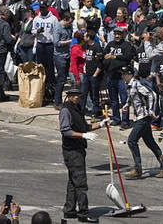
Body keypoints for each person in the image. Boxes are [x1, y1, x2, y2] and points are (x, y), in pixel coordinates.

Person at [59, 86, 109, 223]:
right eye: (74, 95)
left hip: (78, 149)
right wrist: (83, 135)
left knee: (73, 181)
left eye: (78, 95)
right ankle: (83, 213)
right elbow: (65, 131)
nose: (76, 97)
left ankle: (69, 209)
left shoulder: (77, 108)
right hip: (72, 151)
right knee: (80, 183)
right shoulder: (65, 111)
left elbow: (85, 127)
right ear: (68, 96)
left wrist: (101, 124)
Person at [121, 67, 163, 179]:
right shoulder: (129, 86)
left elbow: (152, 95)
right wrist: (127, 105)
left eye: (124, 74)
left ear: (130, 75)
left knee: (132, 141)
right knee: (150, 142)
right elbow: (132, 97)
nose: (122, 76)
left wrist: (151, 110)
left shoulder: (137, 84)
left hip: (144, 116)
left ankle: (138, 168)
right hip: (139, 117)